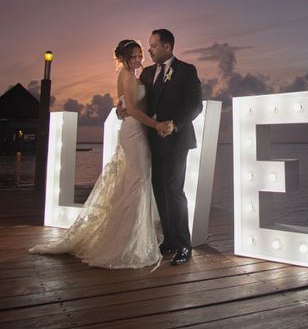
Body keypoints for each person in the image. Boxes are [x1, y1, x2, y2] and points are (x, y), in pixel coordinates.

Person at [30, 40, 172, 269]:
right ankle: (127, 244)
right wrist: (156, 125)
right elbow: (133, 110)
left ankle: (131, 237)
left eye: (139, 56)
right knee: (138, 182)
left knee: (134, 183)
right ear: (123, 58)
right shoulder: (125, 75)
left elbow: (124, 104)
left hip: (139, 132)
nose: (137, 60)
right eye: (133, 57)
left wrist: (121, 109)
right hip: (134, 132)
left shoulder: (137, 76)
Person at [138, 29, 202, 266]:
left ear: (167, 46)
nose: (149, 50)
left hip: (176, 140)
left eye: (153, 46)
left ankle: (184, 245)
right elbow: (135, 102)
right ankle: (169, 240)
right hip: (151, 140)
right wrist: (120, 109)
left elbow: (195, 106)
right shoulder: (145, 73)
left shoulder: (187, 70)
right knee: (159, 190)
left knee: (174, 190)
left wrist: (174, 125)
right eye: (149, 46)